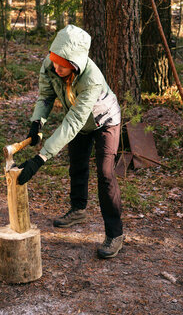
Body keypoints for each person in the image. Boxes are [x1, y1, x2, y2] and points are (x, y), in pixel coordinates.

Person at [17, 25, 124, 259]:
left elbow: (73, 121)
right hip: (78, 121)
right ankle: (78, 210)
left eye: (62, 65)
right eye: (54, 61)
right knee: (77, 165)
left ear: (75, 63)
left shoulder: (92, 79)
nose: (56, 67)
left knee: (105, 174)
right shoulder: (50, 65)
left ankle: (115, 234)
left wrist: (41, 157)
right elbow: (45, 96)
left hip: (104, 121)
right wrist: (37, 124)